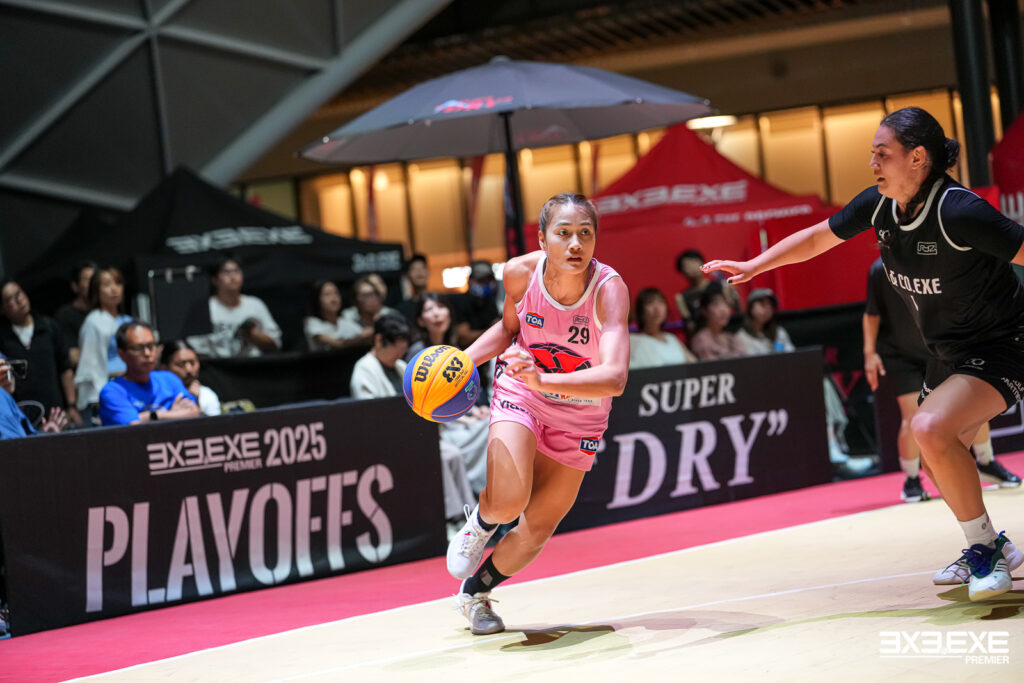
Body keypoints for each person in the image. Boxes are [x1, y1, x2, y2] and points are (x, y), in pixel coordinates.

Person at [702, 106, 1024, 601]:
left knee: (928, 428)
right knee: (937, 457)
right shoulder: (880, 206)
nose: (872, 163)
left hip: (1003, 343)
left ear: (917, 158)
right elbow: (817, 237)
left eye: (882, 154)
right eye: (872, 154)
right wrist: (756, 265)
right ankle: (990, 545)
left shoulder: (959, 211)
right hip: (947, 350)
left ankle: (984, 551)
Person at [447, 192, 629, 636]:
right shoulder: (519, 273)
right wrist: (464, 361)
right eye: (563, 233)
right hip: (522, 391)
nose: (575, 244)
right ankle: (482, 522)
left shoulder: (609, 290)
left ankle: (475, 594)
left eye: (585, 234)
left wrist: (544, 380)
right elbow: (509, 330)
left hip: (581, 412)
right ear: (543, 240)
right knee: (509, 500)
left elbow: (615, 378)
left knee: (538, 526)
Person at [863, 257, 1020, 503]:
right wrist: (869, 354)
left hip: (940, 348)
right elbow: (871, 314)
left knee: (969, 407)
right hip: (901, 355)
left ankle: (986, 462)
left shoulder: (937, 259)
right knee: (912, 416)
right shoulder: (879, 270)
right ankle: (912, 480)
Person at [350, 314, 477, 524]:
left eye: (403, 347)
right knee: (441, 457)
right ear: (379, 340)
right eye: (396, 347)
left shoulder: (401, 366)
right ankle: (450, 520)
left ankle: (469, 516)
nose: (400, 353)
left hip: (417, 436)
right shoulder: (363, 370)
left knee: (453, 454)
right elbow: (371, 418)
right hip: (388, 444)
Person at [405, 292, 491, 496]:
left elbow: (460, 393)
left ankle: (492, 497)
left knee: (493, 422)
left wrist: (476, 410)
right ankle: (480, 498)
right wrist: (465, 419)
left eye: (441, 307)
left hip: (459, 420)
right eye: (429, 309)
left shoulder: (454, 348)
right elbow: (424, 406)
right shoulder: (418, 355)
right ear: (420, 320)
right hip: (436, 427)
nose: (437, 314)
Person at [0, 280, 81, 427]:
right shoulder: (3, 338)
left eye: (19, 293)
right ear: (2, 309)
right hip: (20, 420)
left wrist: (71, 405)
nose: (19, 300)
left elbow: (65, 368)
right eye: (10, 299)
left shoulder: (49, 327)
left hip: (56, 416)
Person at [99, 322, 199, 426]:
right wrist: (172, 413)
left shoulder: (169, 379)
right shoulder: (113, 391)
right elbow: (135, 427)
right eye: (138, 348)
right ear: (122, 354)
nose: (147, 353)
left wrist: (154, 416)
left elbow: (193, 412)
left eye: (151, 346)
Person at [188, 256, 282, 358]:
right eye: (226, 272)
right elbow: (195, 348)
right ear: (215, 279)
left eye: (236, 271)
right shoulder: (205, 308)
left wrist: (252, 335)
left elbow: (275, 343)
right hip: (216, 364)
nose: (233, 277)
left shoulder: (255, 304)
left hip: (252, 363)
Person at [74, 267, 132, 426]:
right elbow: (90, 368)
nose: (114, 289)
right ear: (96, 291)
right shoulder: (94, 322)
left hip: (130, 391)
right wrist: (100, 400)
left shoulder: (128, 320)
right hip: (105, 395)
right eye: (107, 285)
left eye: (118, 283)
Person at [674, 248, 739, 334]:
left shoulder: (720, 286)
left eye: (695, 262)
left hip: (726, 332)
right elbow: (689, 324)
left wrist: (734, 295)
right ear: (682, 271)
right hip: (702, 335)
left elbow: (736, 311)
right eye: (687, 265)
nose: (693, 267)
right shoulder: (682, 297)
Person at [629, 287, 696, 369]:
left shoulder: (672, 338)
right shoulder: (633, 340)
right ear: (640, 310)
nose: (657, 309)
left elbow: (695, 365)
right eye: (650, 303)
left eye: (660, 302)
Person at [0, 356, 66, 438]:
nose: (7, 376)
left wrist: (44, 435)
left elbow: (22, 439)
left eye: (9, 370)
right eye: (2, 369)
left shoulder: (9, 404)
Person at [303, 279, 371, 351]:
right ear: (317, 299)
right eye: (327, 294)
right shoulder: (312, 323)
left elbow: (365, 335)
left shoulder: (344, 322)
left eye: (336, 293)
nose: (334, 299)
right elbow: (338, 344)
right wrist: (360, 337)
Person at [160, 340, 221, 417]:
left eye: (192, 363)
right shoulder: (155, 394)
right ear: (164, 368)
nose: (188, 369)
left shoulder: (206, 395)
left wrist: (195, 403)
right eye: (180, 364)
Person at [53, 260, 96, 367]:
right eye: (87, 280)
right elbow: (72, 356)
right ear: (75, 286)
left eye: (95, 279)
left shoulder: (103, 311)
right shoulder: (65, 315)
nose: (93, 284)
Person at [337, 275, 399, 345]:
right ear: (356, 299)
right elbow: (340, 343)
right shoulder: (348, 318)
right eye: (365, 295)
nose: (371, 299)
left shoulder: (391, 315)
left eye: (374, 294)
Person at [689, 282, 745, 361]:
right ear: (704, 310)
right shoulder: (702, 339)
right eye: (716, 304)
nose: (723, 310)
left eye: (726, 304)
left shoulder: (731, 337)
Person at [736, 288, 794, 355]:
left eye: (771, 306)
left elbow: (791, 354)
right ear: (751, 308)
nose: (767, 309)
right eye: (762, 305)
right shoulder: (742, 337)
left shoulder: (779, 332)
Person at [397, 253, 431, 324]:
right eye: (414, 269)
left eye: (422, 267)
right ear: (407, 275)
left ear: (428, 272)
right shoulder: (402, 310)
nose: (419, 271)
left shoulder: (441, 303)